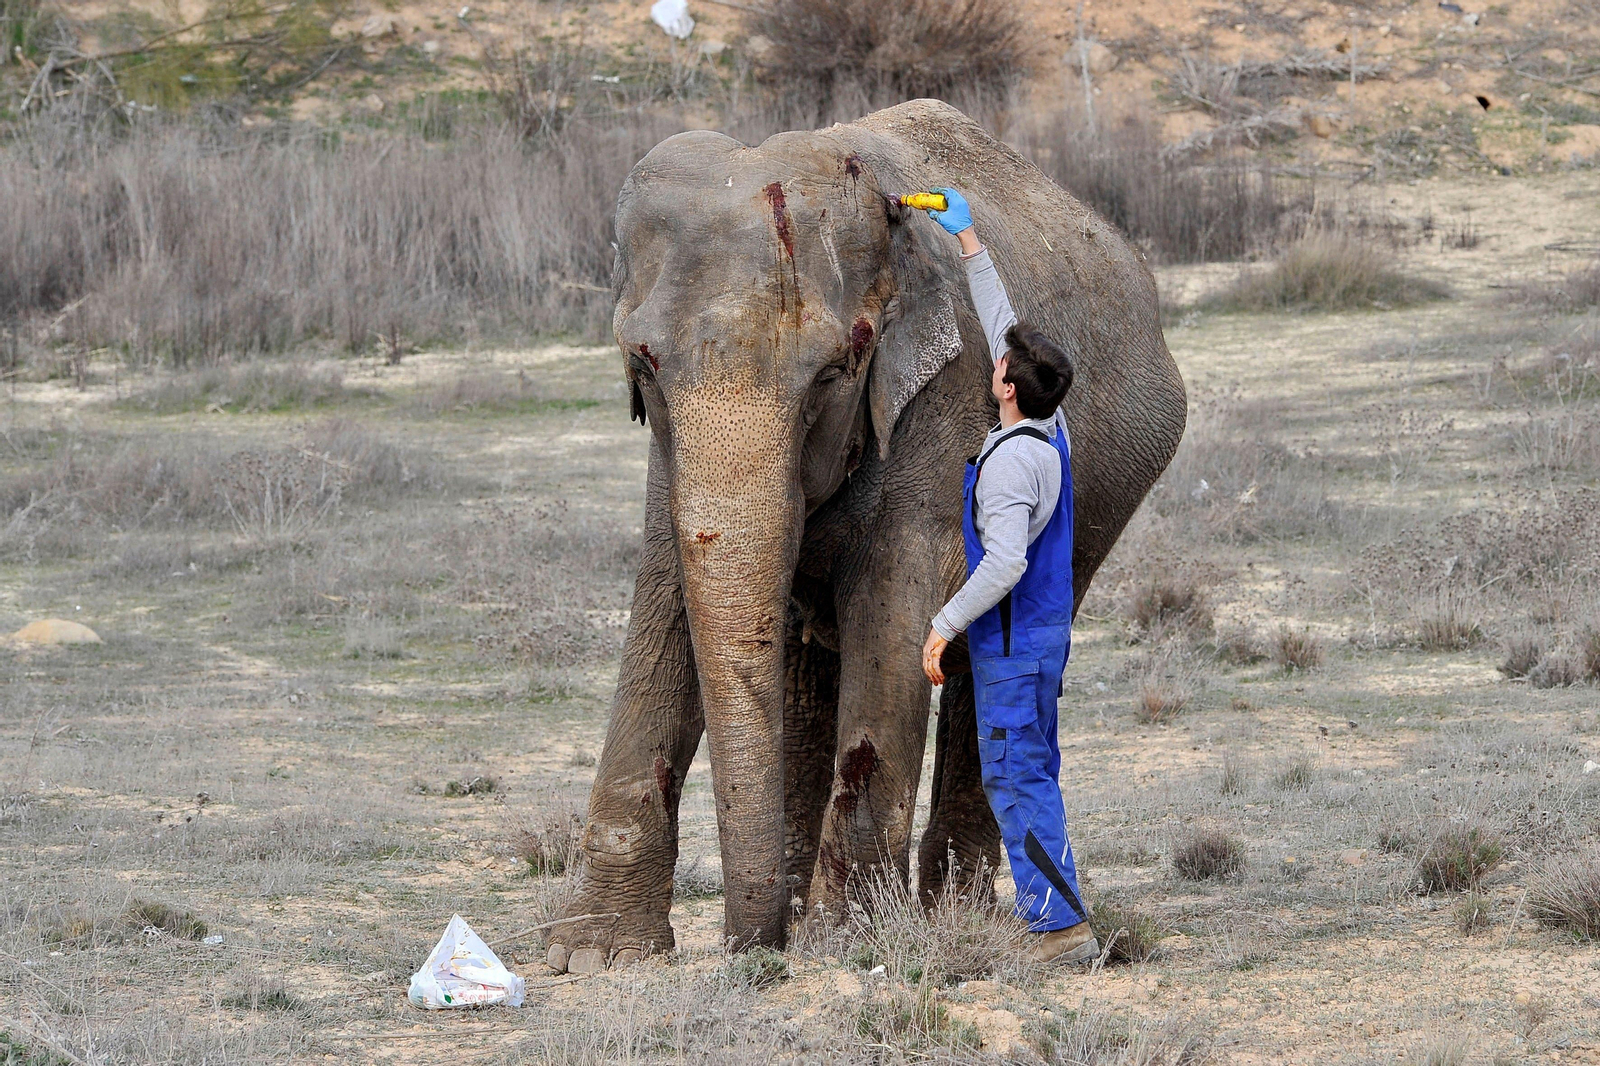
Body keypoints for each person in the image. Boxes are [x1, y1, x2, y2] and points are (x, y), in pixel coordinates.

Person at [916, 188, 1097, 966]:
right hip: (1040, 636)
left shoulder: (1010, 466)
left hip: (1015, 646)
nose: (995, 359)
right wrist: (971, 243)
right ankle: (1055, 913)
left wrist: (943, 622)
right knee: (1029, 774)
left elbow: (1005, 564)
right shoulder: (1044, 419)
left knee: (1019, 780)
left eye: (1002, 364)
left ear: (1006, 387)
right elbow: (1005, 329)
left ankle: (1061, 930)